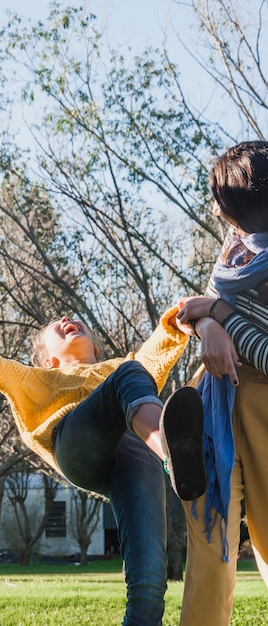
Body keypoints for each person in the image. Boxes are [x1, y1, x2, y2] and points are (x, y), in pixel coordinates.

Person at [0, 305, 206, 626]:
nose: (66, 319)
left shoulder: (121, 367)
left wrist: (178, 320)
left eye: (75, 321)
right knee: (130, 374)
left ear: (96, 348)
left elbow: (160, 346)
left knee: (149, 584)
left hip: (135, 450)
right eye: (55, 322)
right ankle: (172, 454)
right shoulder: (36, 378)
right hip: (75, 445)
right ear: (48, 359)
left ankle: (172, 458)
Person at [175, 140, 268, 625]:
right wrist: (209, 321)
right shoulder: (238, 250)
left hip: (264, 404)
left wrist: (219, 314)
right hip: (213, 405)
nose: (214, 210)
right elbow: (194, 307)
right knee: (210, 548)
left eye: (224, 201)